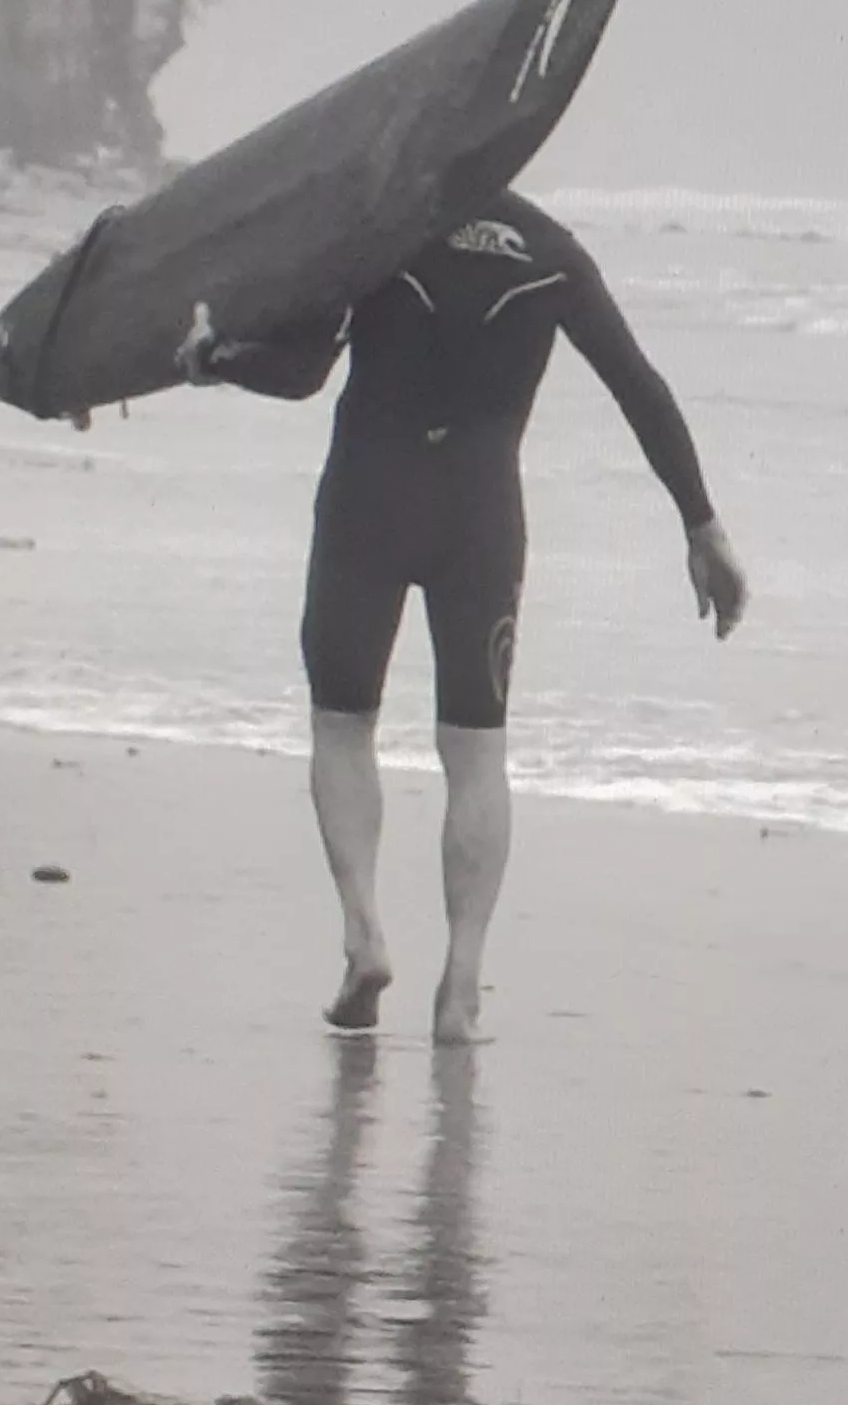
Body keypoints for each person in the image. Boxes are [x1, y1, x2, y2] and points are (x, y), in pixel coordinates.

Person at [177, 189, 749, 1043]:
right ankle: (463, 987)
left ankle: (365, 933)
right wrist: (701, 524)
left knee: (342, 725)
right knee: (476, 752)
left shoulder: (384, 226)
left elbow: (301, 372)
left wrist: (212, 356)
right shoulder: (551, 253)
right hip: (479, 520)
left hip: (367, 503)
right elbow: (641, 388)